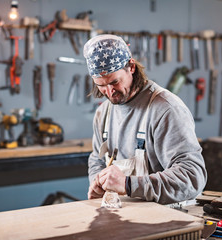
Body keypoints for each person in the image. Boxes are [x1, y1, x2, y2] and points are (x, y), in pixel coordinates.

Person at [83, 34, 207, 205]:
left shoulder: (165, 109)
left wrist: (128, 184)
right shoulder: (103, 113)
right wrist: (98, 182)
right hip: (124, 217)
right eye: (101, 85)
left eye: (115, 82)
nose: (110, 92)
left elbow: (191, 177)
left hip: (168, 217)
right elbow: (97, 158)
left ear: (131, 67)